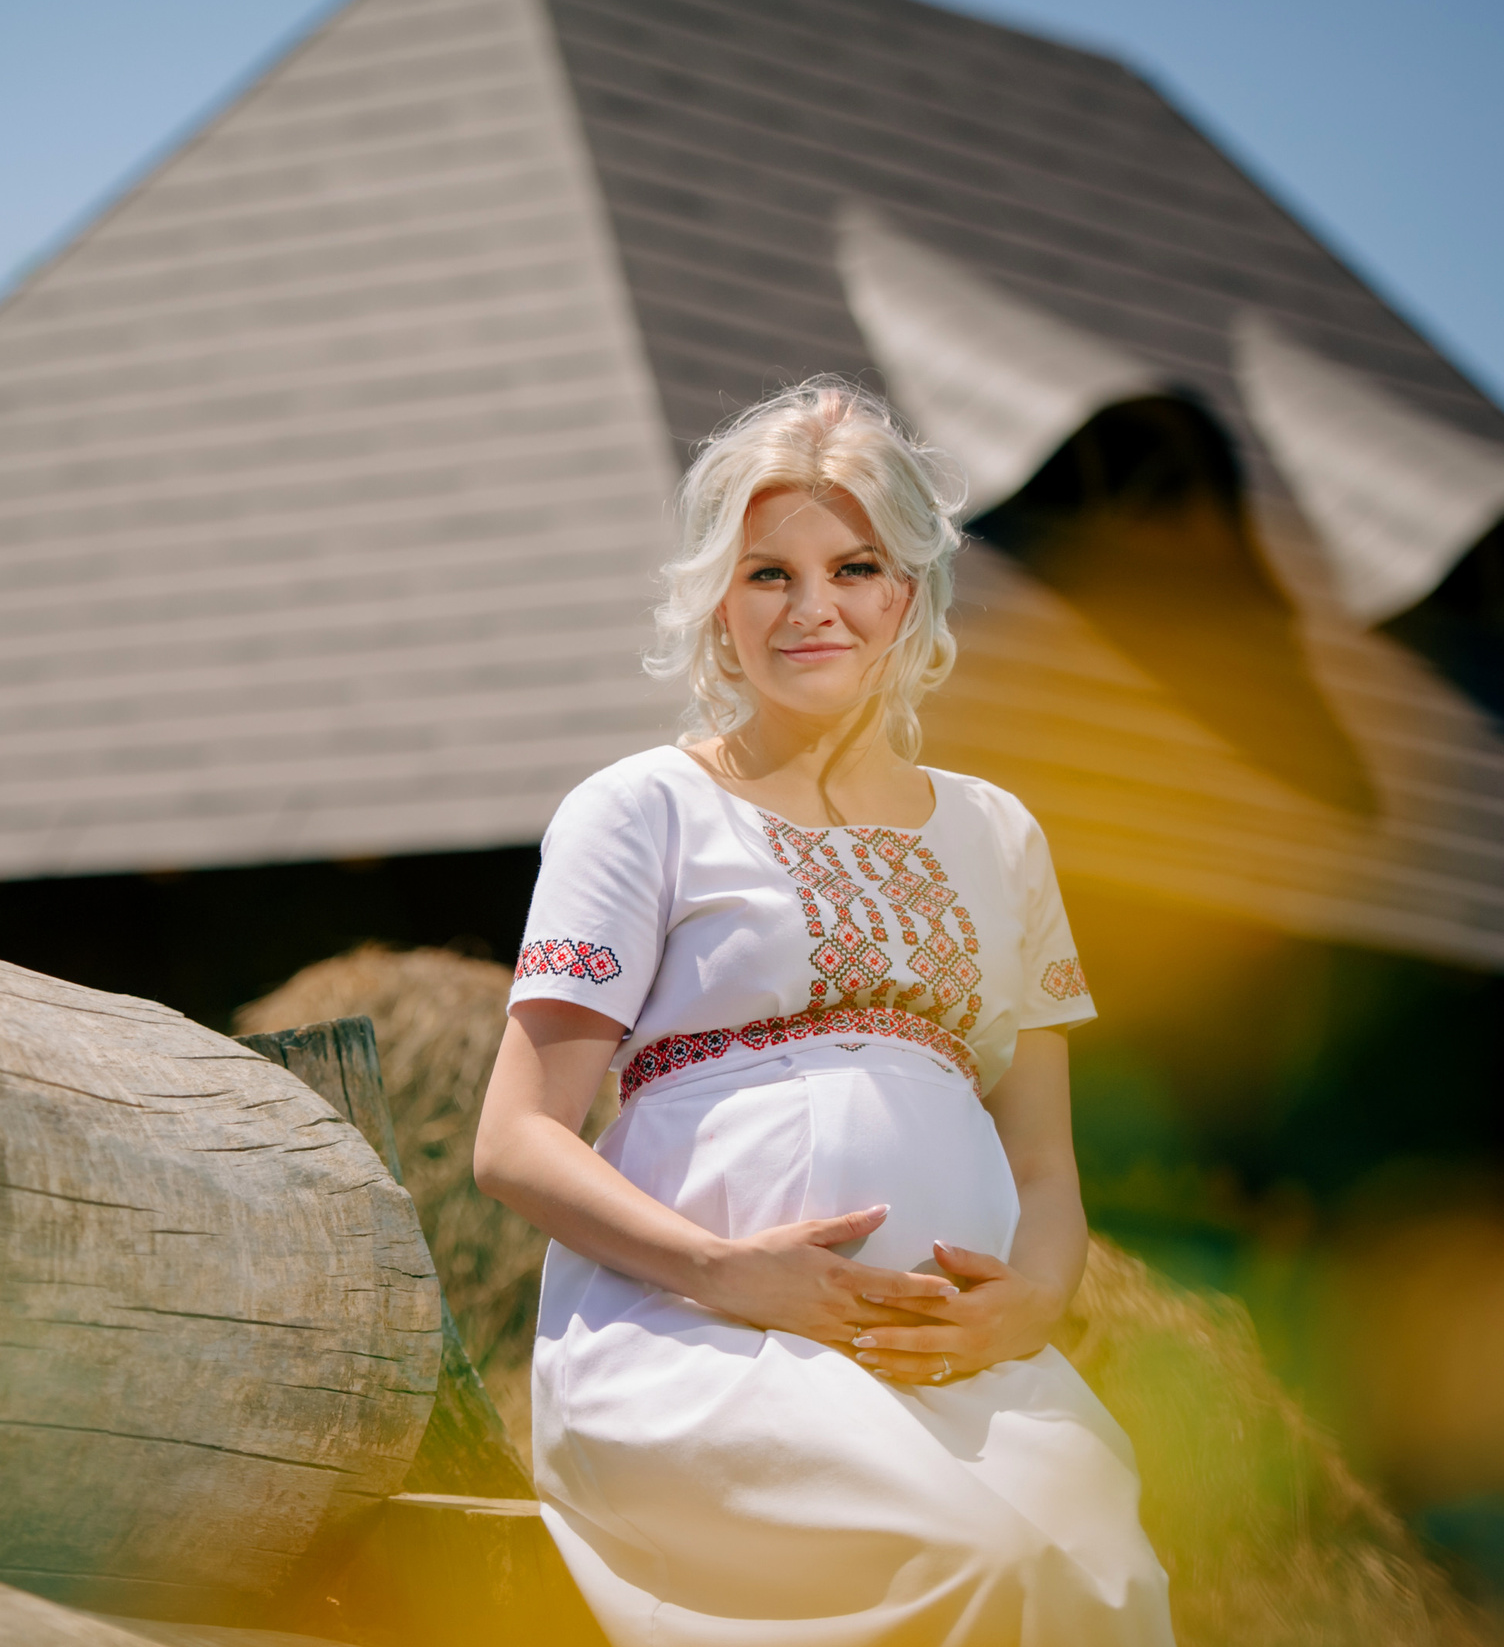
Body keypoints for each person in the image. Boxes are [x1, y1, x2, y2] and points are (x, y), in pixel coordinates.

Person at [473, 381, 1175, 1645]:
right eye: (765, 574)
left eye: (853, 567)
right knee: (977, 1556)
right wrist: (731, 1273)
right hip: (697, 1346)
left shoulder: (1000, 835)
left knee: (1106, 1581)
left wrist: (1034, 1302)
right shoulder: (637, 809)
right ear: (714, 601)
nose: (812, 609)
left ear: (909, 592)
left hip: (968, 1370)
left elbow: (1043, 1162)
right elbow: (516, 1140)